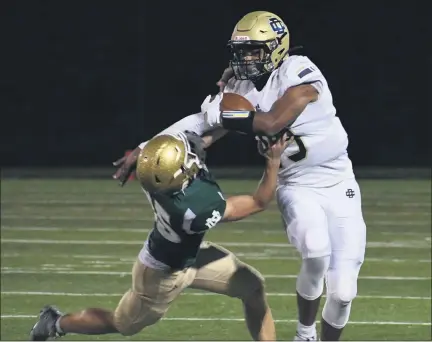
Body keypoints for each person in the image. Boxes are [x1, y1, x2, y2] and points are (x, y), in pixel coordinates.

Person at [112, 10, 367, 342]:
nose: (246, 58)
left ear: (277, 48)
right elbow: (201, 126)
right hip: (296, 183)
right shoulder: (240, 88)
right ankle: (305, 334)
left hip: (338, 179)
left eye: (254, 50)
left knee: (344, 291)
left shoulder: (299, 71)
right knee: (316, 251)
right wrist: (147, 147)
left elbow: (273, 122)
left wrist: (224, 111)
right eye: (241, 50)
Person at [30, 130, 291, 341]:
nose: (191, 157)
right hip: (162, 275)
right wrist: (273, 160)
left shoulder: (153, 172)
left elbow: (179, 143)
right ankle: (56, 322)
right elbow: (258, 201)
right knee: (122, 323)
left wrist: (231, 122)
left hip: (193, 256)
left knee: (253, 287)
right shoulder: (194, 209)